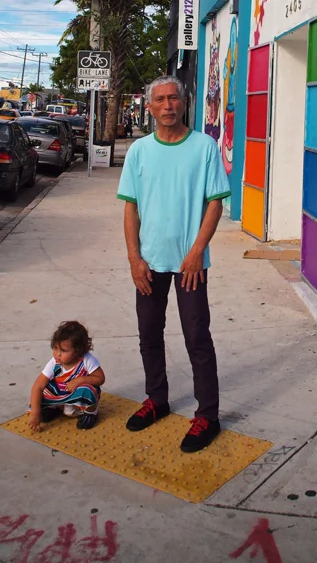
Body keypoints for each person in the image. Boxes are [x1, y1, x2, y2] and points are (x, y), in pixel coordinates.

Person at [117, 75, 230, 453]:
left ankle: (208, 415)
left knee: (197, 337)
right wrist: (134, 257)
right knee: (149, 333)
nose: (168, 106)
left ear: (184, 103)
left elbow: (215, 203)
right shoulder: (139, 151)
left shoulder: (204, 147)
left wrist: (197, 251)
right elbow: (130, 208)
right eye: (160, 100)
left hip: (190, 264)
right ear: (149, 107)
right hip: (149, 261)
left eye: (174, 98)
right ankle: (157, 399)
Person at [28, 320, 105, 432]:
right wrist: (36, 413)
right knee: (43, 390)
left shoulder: (87, 360)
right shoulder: (54, 362)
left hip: (77, 398)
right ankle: (54, 409)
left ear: (78, 351)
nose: (57, 354)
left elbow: (100, 378)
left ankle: (90, 413)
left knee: (88, 390)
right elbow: (38, 386)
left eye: (63, 350)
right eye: (55, 348)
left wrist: (80, 380)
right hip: (61, 395)